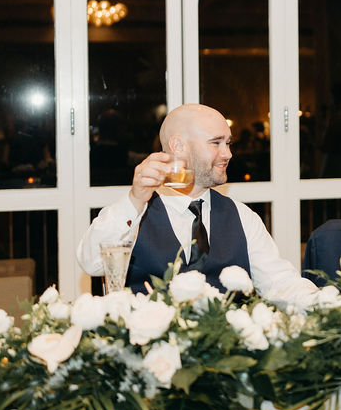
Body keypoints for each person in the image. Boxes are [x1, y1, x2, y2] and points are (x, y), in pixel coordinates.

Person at [77, 104, 314, 296]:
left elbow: (282, 284)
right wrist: (135, 199)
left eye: (228, 143)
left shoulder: (242, 217)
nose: (228, 154)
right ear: (177, 146)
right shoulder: (133, 213)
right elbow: (91, 263)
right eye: (216, 143)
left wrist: (334, 305)